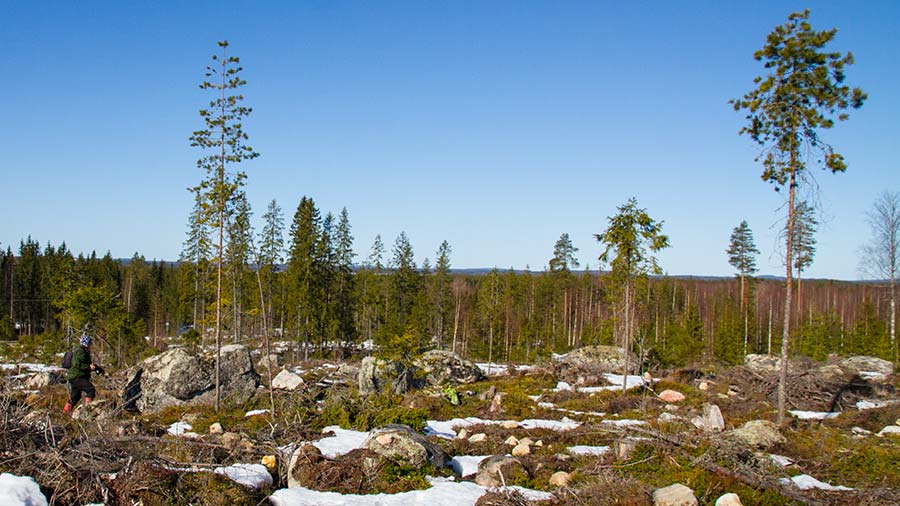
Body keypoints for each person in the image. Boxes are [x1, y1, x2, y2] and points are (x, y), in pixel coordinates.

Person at [63, 334, 103, 415]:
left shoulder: (82, 351)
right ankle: (88, 411)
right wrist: (88, 367)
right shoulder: (80, 351)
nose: (90, 345)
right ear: (86, 343)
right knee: (90, 390)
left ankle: (64, 413)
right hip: (77, 376)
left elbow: (86, 364)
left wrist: (98, 369)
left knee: (75, 396)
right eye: (90, 343)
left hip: (74, 377)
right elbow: (77, 364)